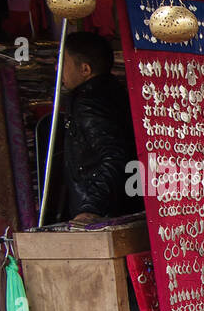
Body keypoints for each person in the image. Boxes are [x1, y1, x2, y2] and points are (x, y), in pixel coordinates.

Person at [55, 31, 141, 225]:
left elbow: (115, 155)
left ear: (85, 69)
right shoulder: (114, 92)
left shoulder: (88, 102)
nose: (57, 69)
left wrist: (91, 207)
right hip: (125, 203)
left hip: (104, 212)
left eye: (63, 63)